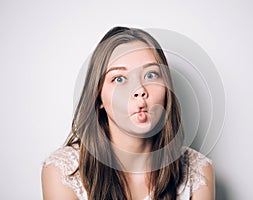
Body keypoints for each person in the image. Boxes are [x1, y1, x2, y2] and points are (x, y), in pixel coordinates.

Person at [41, 26, 215, 200]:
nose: (139, 90)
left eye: (151, 75)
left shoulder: (198, 171)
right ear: (98, 97)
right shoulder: (63, 172)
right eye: (119, 79)